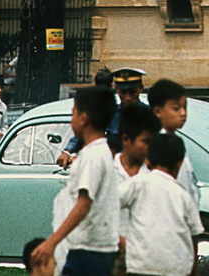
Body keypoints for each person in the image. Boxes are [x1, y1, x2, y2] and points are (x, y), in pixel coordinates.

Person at [31, 85, 120, 276]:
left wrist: (52, 242)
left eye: (73, 113)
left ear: (83, 118)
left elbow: (84, 204)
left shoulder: (93, 156)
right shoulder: (100, 152)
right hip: (93, 247)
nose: (72, 119)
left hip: (89, 249)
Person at [118, 133, 203, 276]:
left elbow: (106, 203)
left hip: (141, 266)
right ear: (180, 163)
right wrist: (193, 270)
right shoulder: (182, 195)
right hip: (176, 269)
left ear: (148, 160)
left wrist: (120, 240)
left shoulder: (137, 184)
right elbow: (194, 235)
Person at [149, 78, 199, 204]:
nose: (183, 113)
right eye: (176, 108)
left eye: (185, 107)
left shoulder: (176, 141)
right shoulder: (156, 146)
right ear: (158, 111)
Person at [115, 103, 159, 181]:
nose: (151, 147)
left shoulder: (155, 174)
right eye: (146, 141)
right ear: (125, 139)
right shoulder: (109, 170)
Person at [107, 68, 147, 153]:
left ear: (141, 88)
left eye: (132, 93)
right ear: (117, 90)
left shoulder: (150, 115)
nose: (128, 98)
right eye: (123, 93)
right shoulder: (110, 115)